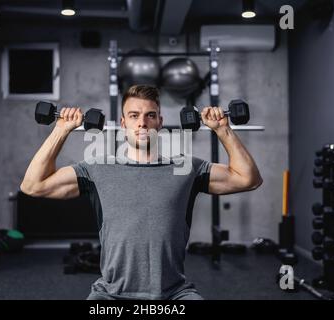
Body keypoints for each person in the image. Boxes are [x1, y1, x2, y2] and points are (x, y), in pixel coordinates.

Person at [20, 84, 263, 300]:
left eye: (150, 116)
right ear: (123, 123)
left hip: (174, 294)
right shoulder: (96, 169)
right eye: (134, 116)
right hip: (110, 295)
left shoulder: (187, 168)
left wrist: (223, 129)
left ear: (160, 121)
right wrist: (61, 130)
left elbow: (248, 179)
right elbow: (33, 185)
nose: (142, 123)